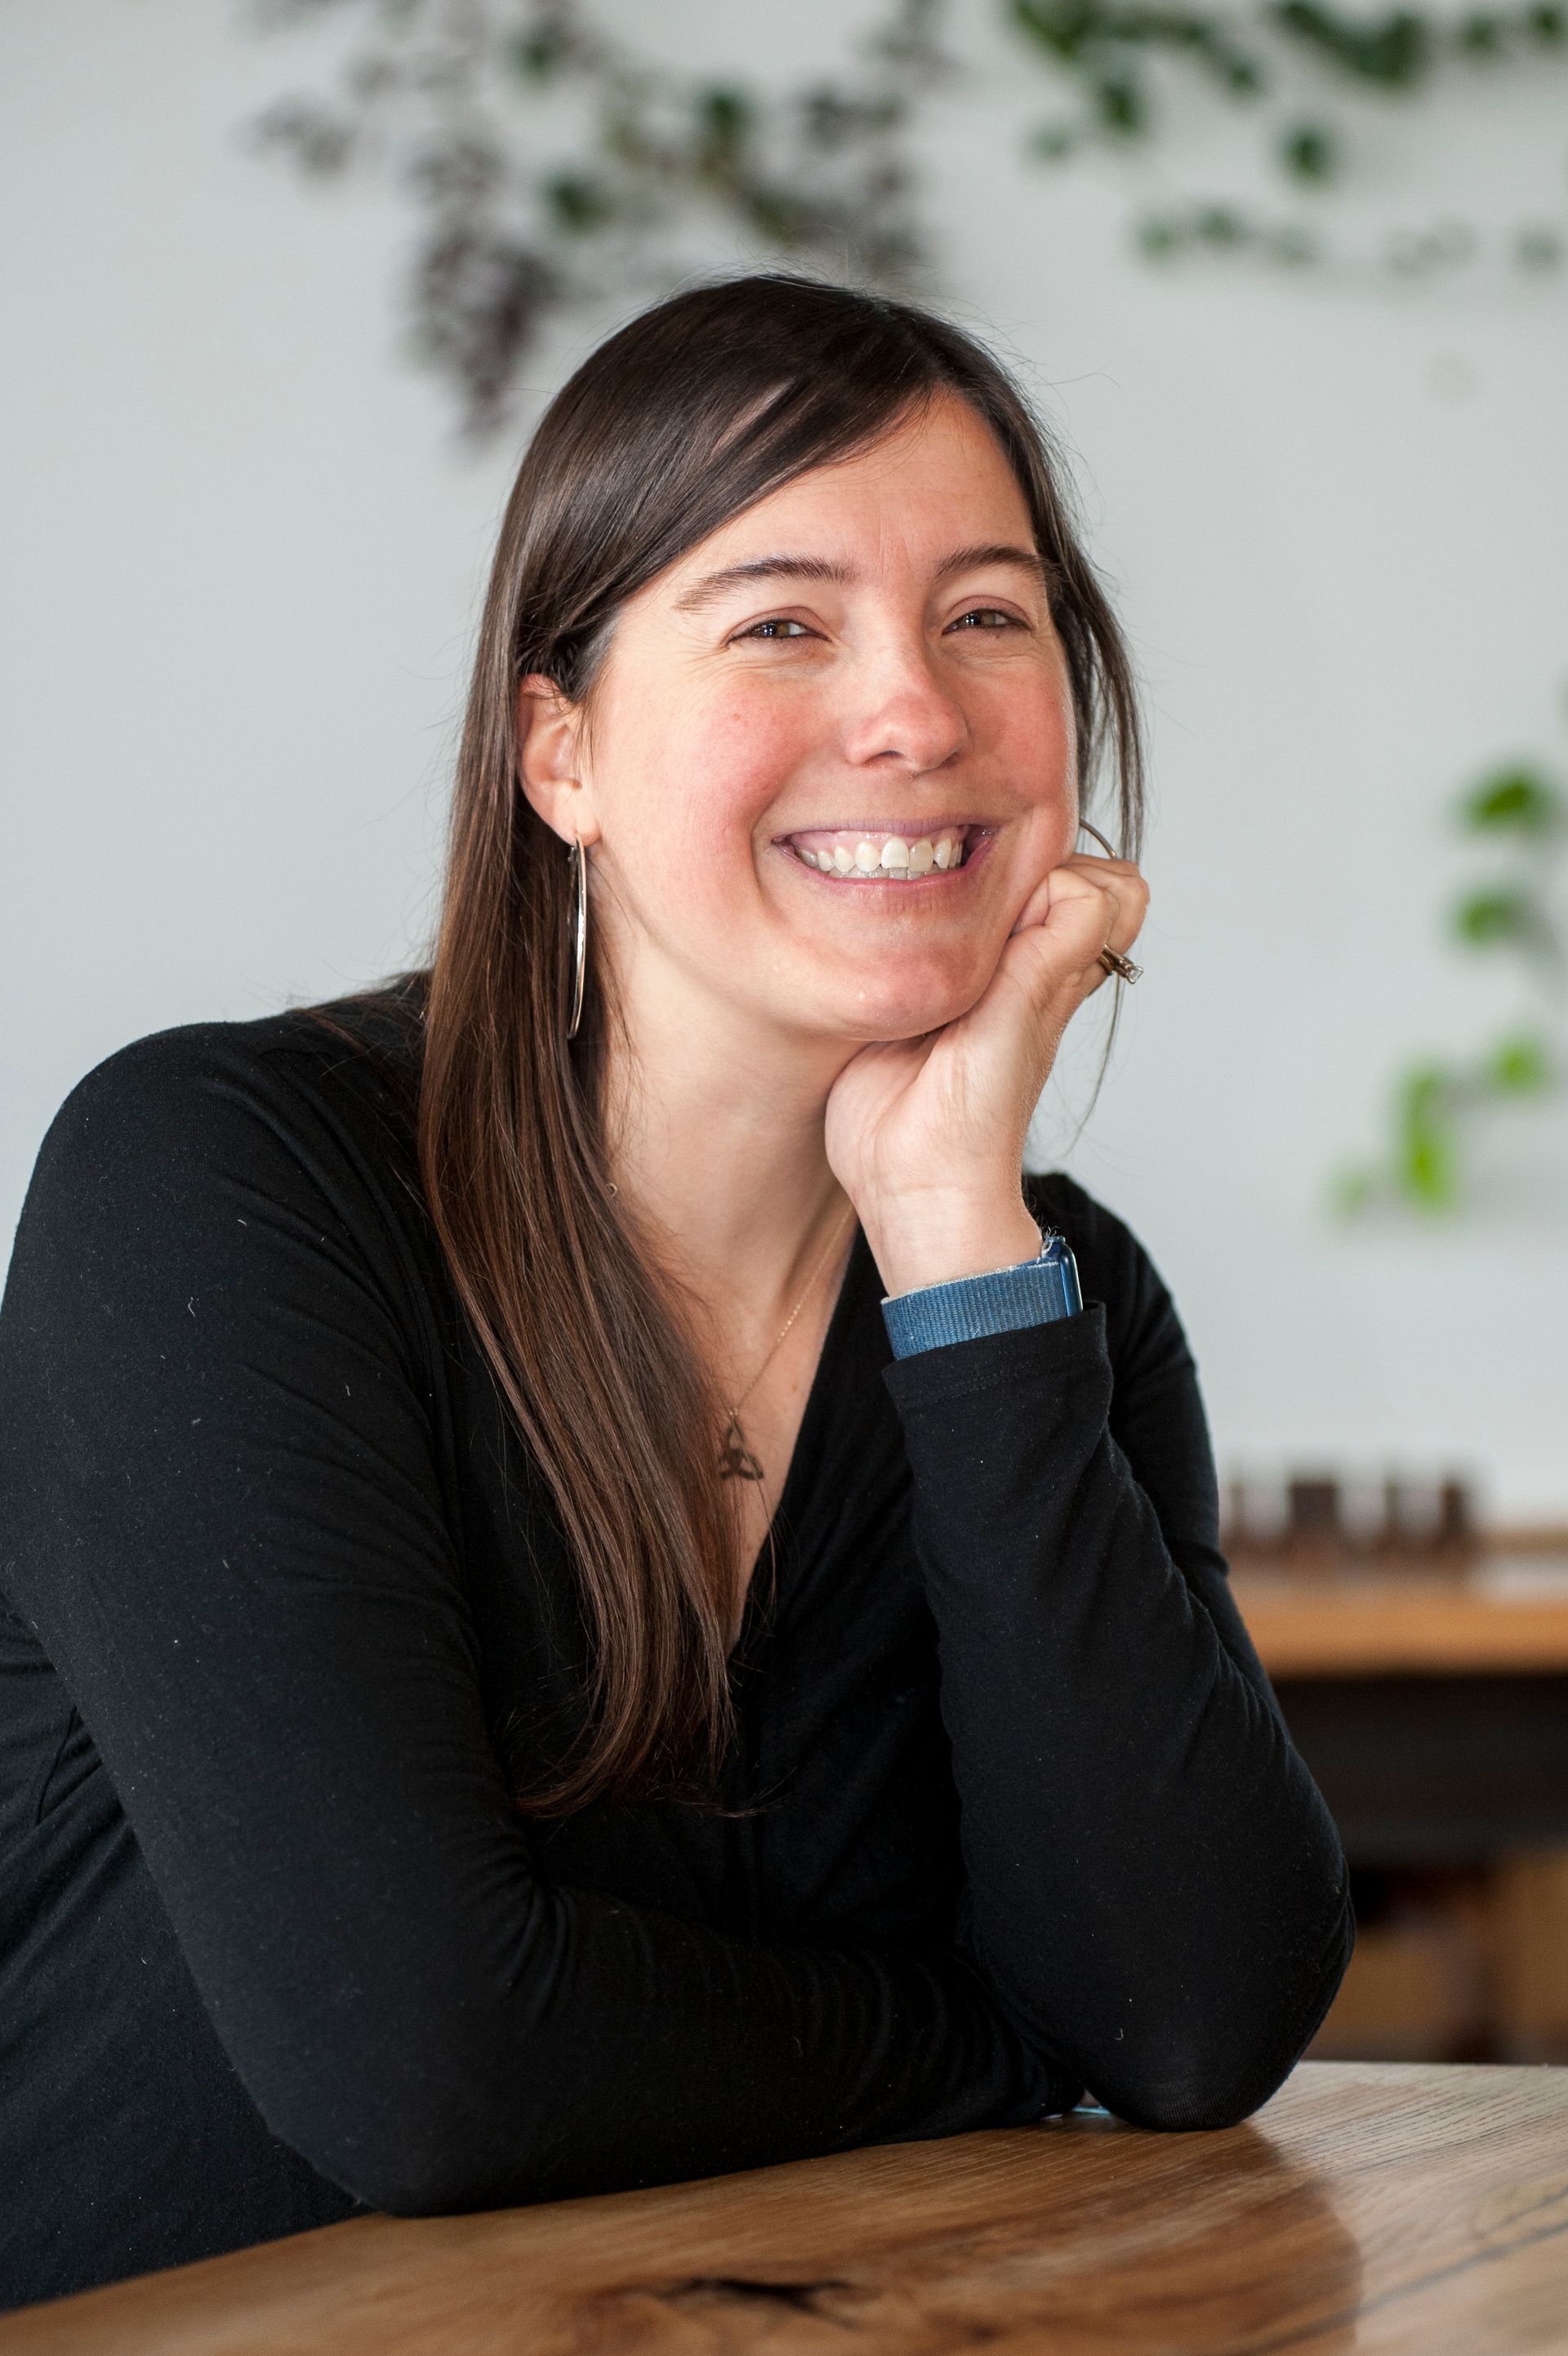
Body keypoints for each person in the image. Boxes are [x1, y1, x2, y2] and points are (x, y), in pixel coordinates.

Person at [0, 274, 1351, 2311]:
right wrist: (994, 2040)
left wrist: (953, 1229)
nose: (911, 710)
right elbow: (432, 2067)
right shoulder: (219, 1182)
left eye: (988, 615)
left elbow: (1187, 2024)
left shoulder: (1036, 1288)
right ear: (564, 756)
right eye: (783, 623)